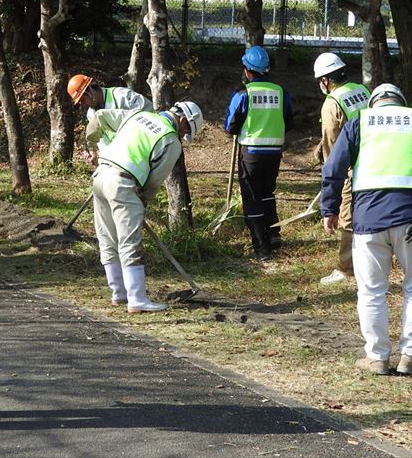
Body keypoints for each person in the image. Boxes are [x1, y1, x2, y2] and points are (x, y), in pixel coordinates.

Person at [320, 83, 412, 376]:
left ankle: (377, 358)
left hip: (368, 221)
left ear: (374, 104)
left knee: (371, 291)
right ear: (401, 102)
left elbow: (333, 167)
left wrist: (330, 209)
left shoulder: (360, 123)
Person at [86, 101, 204, 313]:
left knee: (108, 238)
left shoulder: (139, 115)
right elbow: (154, 181)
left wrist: (91, 145)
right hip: (122, 184)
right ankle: (137, 299)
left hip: (100, 177)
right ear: (184, 120)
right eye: (186, 130)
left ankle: (119, 293)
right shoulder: (170, 140)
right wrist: (143, 201)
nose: (184, 135)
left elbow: (100, 117)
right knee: (130, 243)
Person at [224, 46, 294, 261]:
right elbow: (289, 122)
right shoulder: (281, 93)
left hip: (251, 153)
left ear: (247, 70)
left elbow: (230, 125)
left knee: (252, 198)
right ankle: (273, 234)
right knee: (267, 193)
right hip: (274, 154)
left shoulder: (244, 94)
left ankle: (261, 247)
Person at [313, 52, 370, 285]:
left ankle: (347, 268)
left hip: (351, 166)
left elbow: (333, 146)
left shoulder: (332, 103)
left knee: (347, 215)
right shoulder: (362, 90)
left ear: (326, 80)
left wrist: (330, 175)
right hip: (373, 160)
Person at [67, 73, 154, 162]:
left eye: (82, 99)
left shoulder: (121, 95)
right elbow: (103, 142)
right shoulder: (91, 114)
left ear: (90, 92)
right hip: (125, 159)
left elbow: (149, 114)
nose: (82, 104)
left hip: (144, 148)